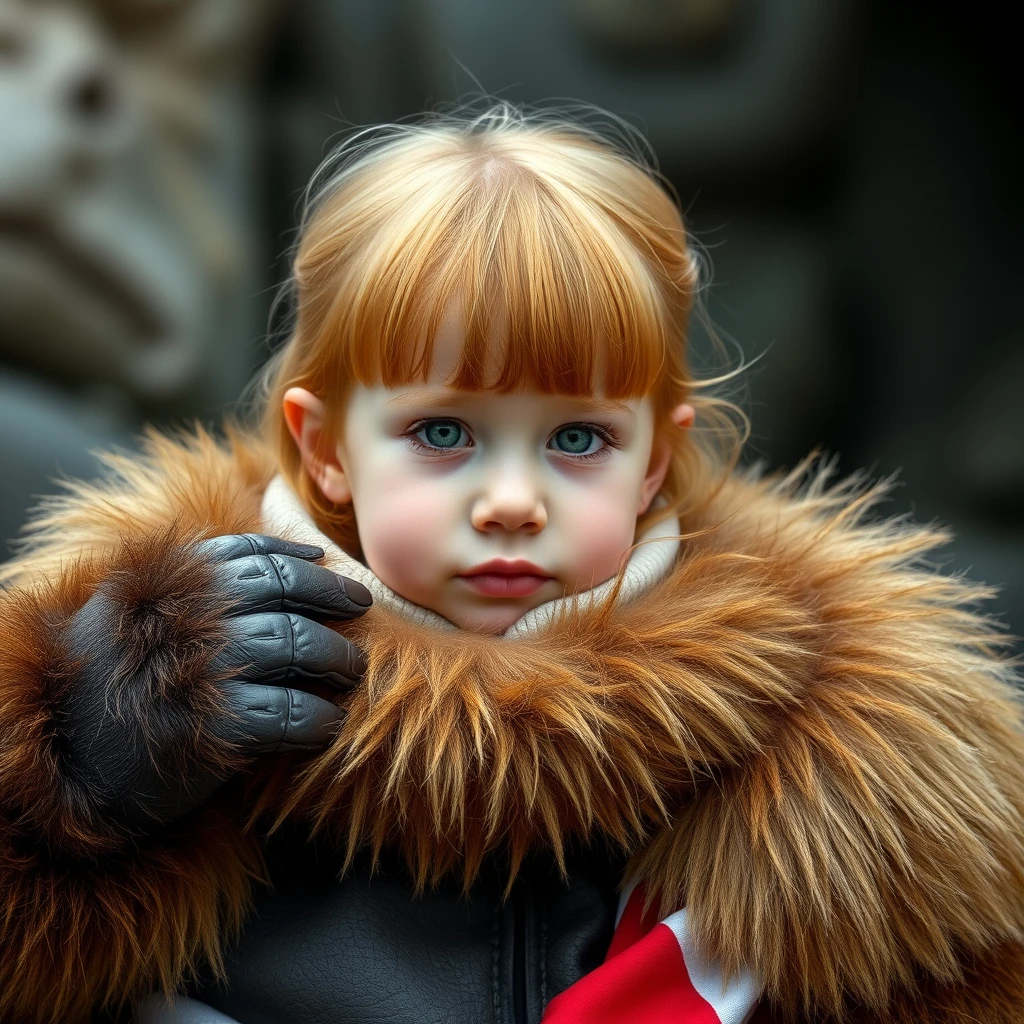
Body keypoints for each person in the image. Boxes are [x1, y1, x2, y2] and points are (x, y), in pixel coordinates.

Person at [1, 104, 1022, 1024]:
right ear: (324, 448)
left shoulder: (828, 749)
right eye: (443, 431)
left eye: (577, 440)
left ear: (654, 458)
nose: (510, 501)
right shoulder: (158, 695)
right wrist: (74, 779)